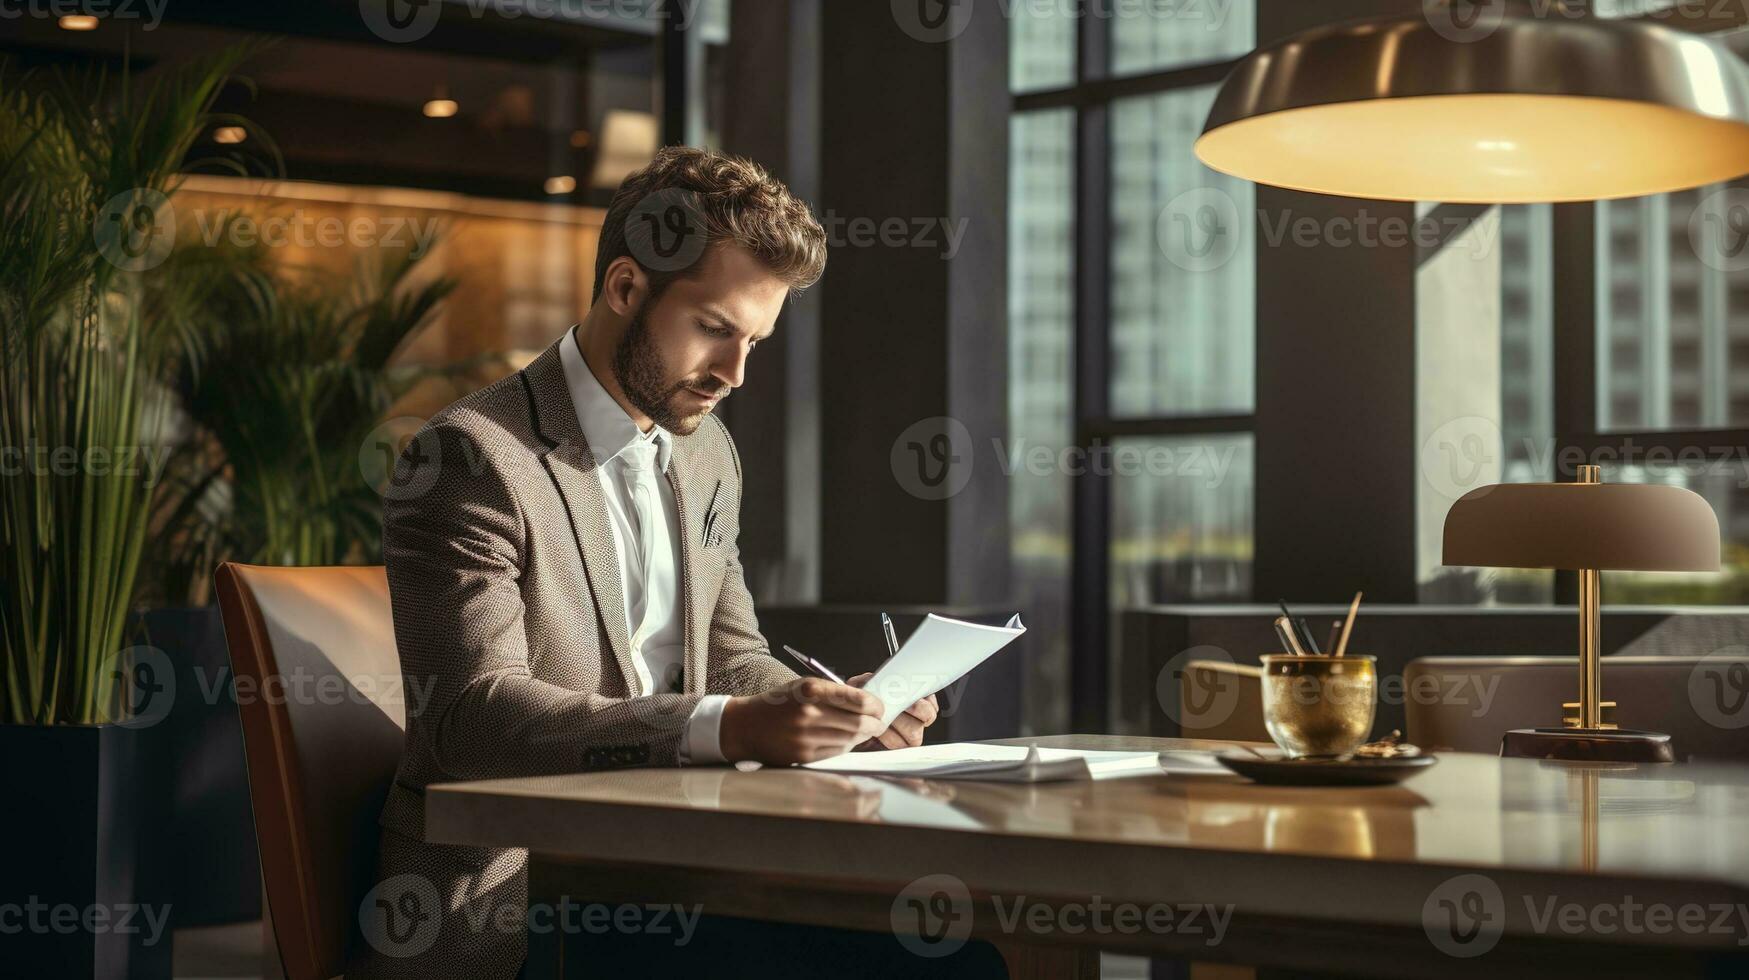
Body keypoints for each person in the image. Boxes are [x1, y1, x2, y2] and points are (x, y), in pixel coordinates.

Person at [353, 146, 1003, 979]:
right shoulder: (469, 458)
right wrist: (729, 726)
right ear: (625, 287)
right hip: (520, 904)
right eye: (713, 329)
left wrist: (845, 719)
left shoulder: (706, 457)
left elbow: (733, 655)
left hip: (679, 871)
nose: (733, 373)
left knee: (959, 960)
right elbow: (469, 720)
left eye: (755, 342)